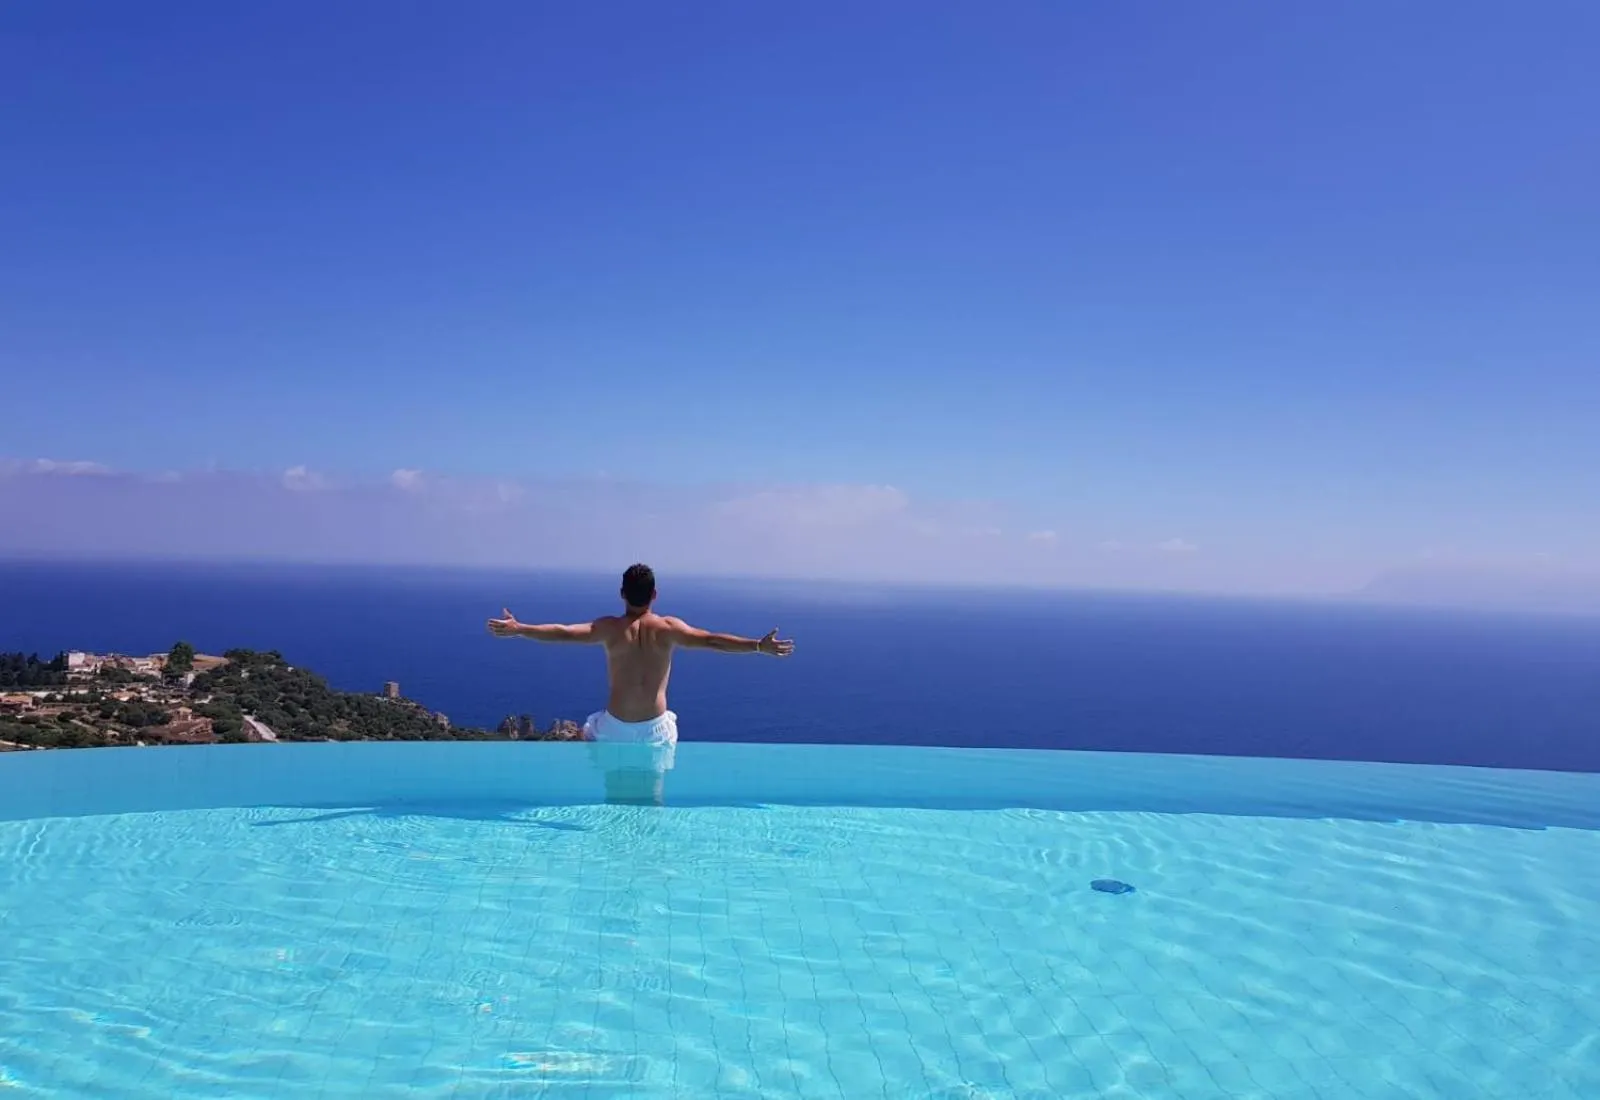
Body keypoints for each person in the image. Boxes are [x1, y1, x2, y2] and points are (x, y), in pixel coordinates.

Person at [486, 563, 794, 804]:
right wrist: (757, 645)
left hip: (615, 727)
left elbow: (563, 632)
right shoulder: (668, 629)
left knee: (614, 794)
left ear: (622, 593)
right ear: (655, 594)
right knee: (652, 800)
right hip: (655, 729)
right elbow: (712, 640)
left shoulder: (609, 629)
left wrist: (520, 628)